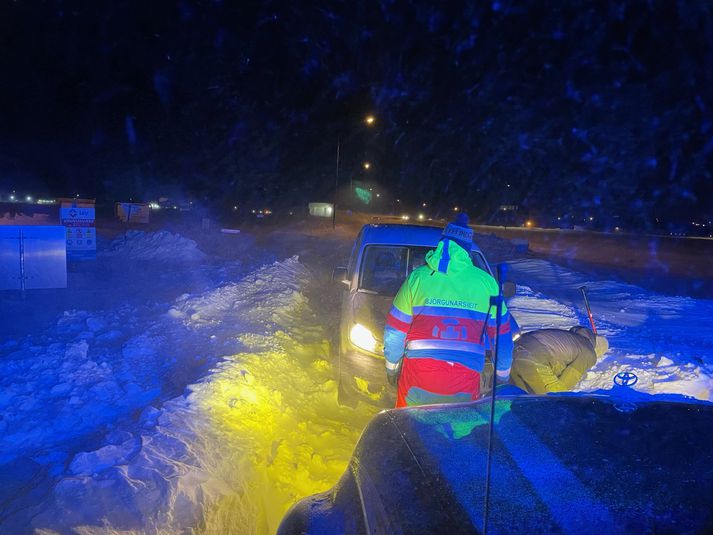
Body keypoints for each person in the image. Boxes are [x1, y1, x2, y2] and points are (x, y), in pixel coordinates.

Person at [383, 213, 514, 408]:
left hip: (418, 376)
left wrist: (392, 368)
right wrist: (502, 376)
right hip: (464, 378)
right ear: (467, 249)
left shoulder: (418, 278)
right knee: (458, 432)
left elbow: (395, 331)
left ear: (442, 242)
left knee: (410, 428)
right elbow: (502, 337)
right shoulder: (487, 283)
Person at [509, 326, 608, 394]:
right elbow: (568, 381)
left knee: (519, 398)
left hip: (510, 354)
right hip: (534, 359)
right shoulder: (588, 351)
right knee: (555, 401)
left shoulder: (567, 337)